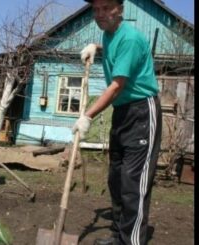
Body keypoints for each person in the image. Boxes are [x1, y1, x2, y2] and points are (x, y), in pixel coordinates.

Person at [72, 0, 162, 244]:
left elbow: (116, 86)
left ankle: (131, 241)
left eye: (106, 8)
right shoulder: (110, 35)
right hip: (123, 113)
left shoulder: (131, 38)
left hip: (142, 111)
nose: (100, 14)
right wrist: (97, 47)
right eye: (96, 9)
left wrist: (88, 115)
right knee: (116, 178)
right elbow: (115, 49)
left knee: (134, 182)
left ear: (119, 9)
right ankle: (119, 236)